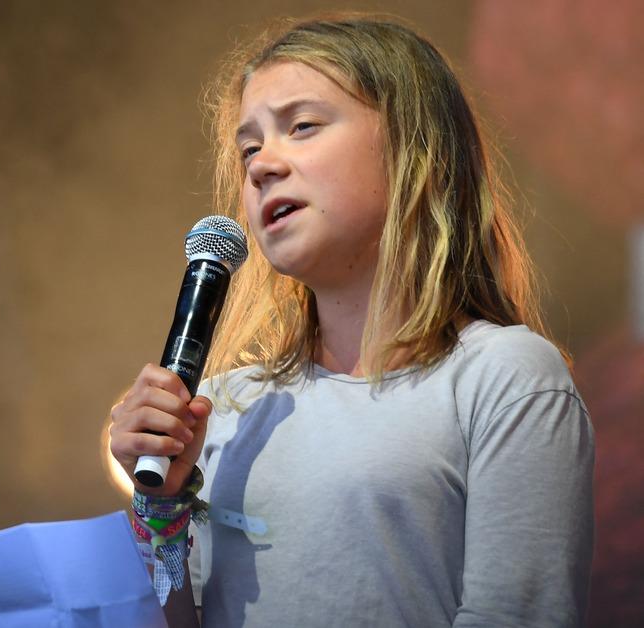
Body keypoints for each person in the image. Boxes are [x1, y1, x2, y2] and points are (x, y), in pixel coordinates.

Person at [110, 13, 594, 628]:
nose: (261, 165)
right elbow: (182, 620)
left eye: (302, 127)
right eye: (249, 148)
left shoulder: (503, 377)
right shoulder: (223, 409)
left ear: (417, 149)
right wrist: (161, 504)